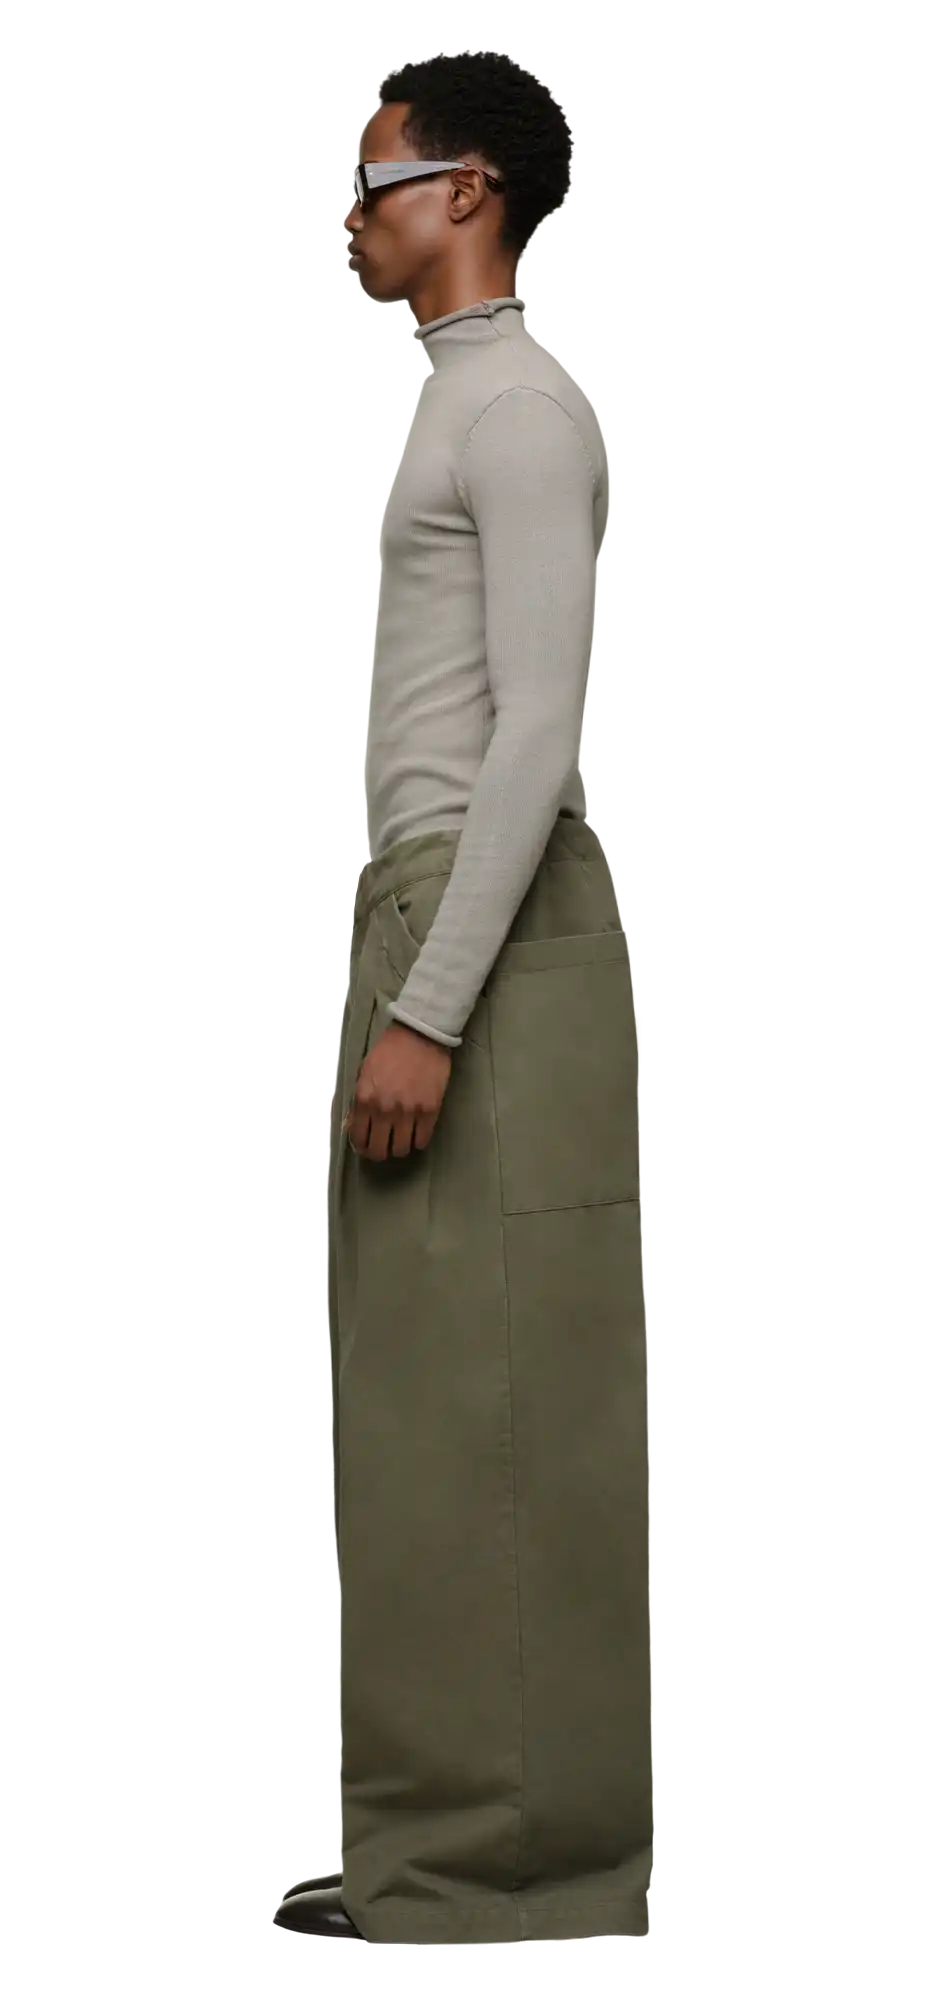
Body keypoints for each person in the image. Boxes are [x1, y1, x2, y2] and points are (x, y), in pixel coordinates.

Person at [273, 48, 654, 1950]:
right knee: (424, 1410)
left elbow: (537, 734)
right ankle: (431, 1842)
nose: (348, 219)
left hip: (481, 936)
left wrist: (426, 1010)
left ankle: (521, 1875)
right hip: (431, 914)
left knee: (512, 1409)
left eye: (370, 184)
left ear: (465, 188)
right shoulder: (459, 398)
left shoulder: (519, 411)